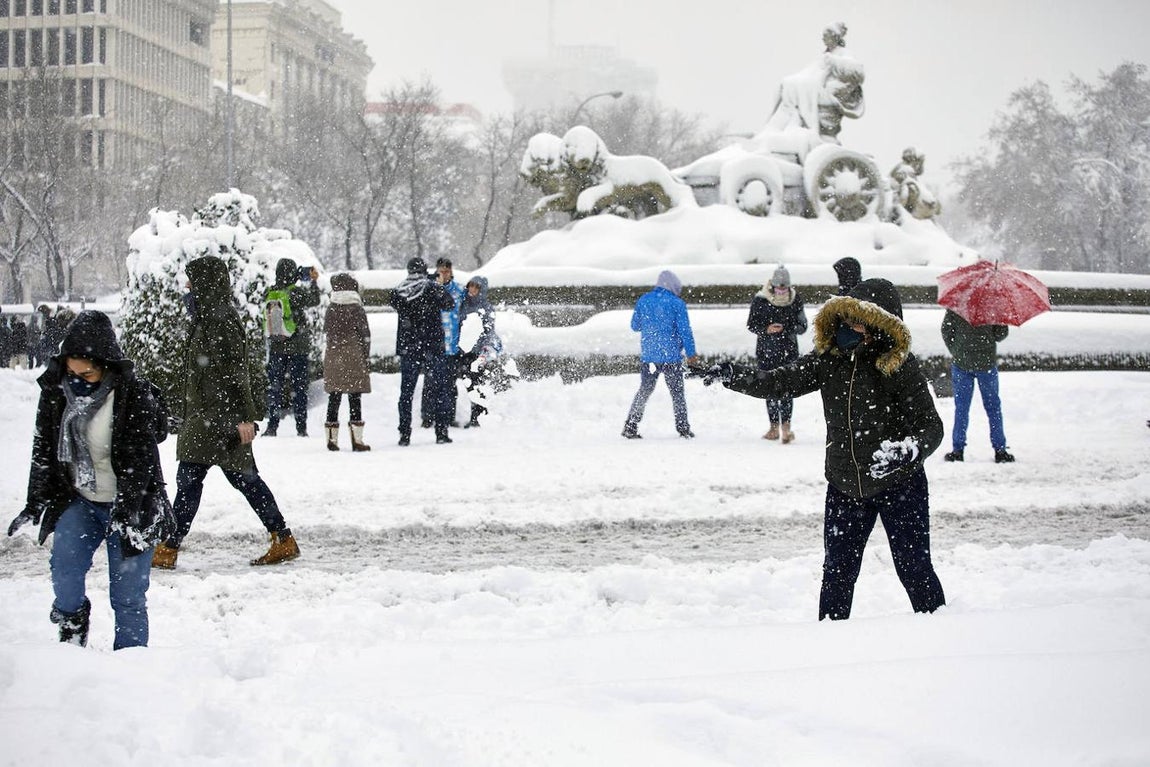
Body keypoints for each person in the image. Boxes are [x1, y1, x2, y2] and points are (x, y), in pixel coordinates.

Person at [691, 278, 946, 620]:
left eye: (859, 322)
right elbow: (780, 381)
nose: (850, 328)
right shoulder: (830, 359)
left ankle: (939, 635)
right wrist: (734, 374)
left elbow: (931, 426)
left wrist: (908, 451)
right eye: (847, 319)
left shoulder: (898, 366)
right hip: (845, 485)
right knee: (837, 577)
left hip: (900, 484)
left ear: (880, 326)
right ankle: (828, 646)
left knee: (914, 569)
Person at [7, 310, 173, 649]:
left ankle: (130, 666)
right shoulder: (56, 392)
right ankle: (72, 632)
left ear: (106, 364)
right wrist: (35, 501)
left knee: (127, 596)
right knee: (65, 576)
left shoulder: (131, 395)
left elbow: (140, 461)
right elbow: (44, 449)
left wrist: (127, 515)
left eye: (88, 373)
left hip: (131, 505)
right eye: (73, 371)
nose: (79, 379)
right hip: (81, 500)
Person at [151, 256, 300, 570]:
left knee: (227, 480)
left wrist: (245, 417)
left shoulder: (219, 319)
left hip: (220, 419)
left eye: (192, 283)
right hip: (208, 417)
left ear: (205, 283)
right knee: (220, 480)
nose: (187, 288)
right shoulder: (208, 316)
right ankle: (281, 537)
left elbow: (236, 371)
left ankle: (169, 546)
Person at [622, 269, 699, 439]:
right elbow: (685, 331)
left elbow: (635, 326)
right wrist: (691, 354)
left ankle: (630, 425)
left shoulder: (644, 300)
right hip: (671, 357)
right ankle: (683, 428)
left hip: (649, 357)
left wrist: (651, 323)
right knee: (677, 393)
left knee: (644, 391)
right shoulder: (677, 303)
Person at [390, 256, 455, 446]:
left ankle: (404, 434)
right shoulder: (432, 287)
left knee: (406, 392)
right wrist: (437, 284)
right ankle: (441, 432)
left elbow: (396, 303)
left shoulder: (399, 291)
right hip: (432, 346)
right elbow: (449, 304)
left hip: (409, 347)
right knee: (439, 389)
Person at [941, 309, 1014, 463]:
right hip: (986, 363)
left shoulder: (957, 304)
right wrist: (1002, 321)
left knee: (961, 408)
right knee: (993, 407)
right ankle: (1000, 450)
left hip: (962, 363)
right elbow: (1000, 335)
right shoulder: (992, 305)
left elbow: (946, 330)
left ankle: (957, 450)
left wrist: (956, 350)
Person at [746, 265, 808, 442]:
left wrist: (786, 328)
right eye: (779, 287)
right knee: (770, 389)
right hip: (767, 352)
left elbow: (803, 326)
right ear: (772, 285)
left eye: (785, 287)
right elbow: (751, 324)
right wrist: (766, 329)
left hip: (789, 352)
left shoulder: (796, 300)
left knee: (787, 389)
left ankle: (786, 427)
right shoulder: (760, 299)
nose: (782, 291)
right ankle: (773, 427)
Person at [263, 257, 320, 437]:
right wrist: (312, 281)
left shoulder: (271, 292)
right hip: (298, 347)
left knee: (275, 387)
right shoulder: (296, 293)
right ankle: (301, 428)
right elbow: (315, 300)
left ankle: (272, 426)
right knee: (299, 388)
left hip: (277, 346)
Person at [323, 272, 372, 452]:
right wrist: (365, 357)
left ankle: (332, 439)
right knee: (354, 397)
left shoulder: (332, 308)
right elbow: (365, 335)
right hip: (354, 356)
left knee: (334, 397)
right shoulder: (357, 308)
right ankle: (357, 440)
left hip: (334, 356)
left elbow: (326, 332)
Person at [457, 275, 514, 428]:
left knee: (476, 385)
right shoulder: (462, 304)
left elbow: (488, 331)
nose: (473, 289)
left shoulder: (486, 307)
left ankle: (478, 417)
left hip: (477, 353)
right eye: (471, 286)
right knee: (468, 384)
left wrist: (482, 351)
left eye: (476, 287)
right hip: (462, 351)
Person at [421, 257, 466, 429]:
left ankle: (448, 416)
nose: (445, 274)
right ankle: (427, 416)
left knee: (449, 384)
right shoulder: (430, 288)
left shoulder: (459, 290)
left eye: (447, 271)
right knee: (430, 382)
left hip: (452, 344)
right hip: (433, 343)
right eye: (441, 271)